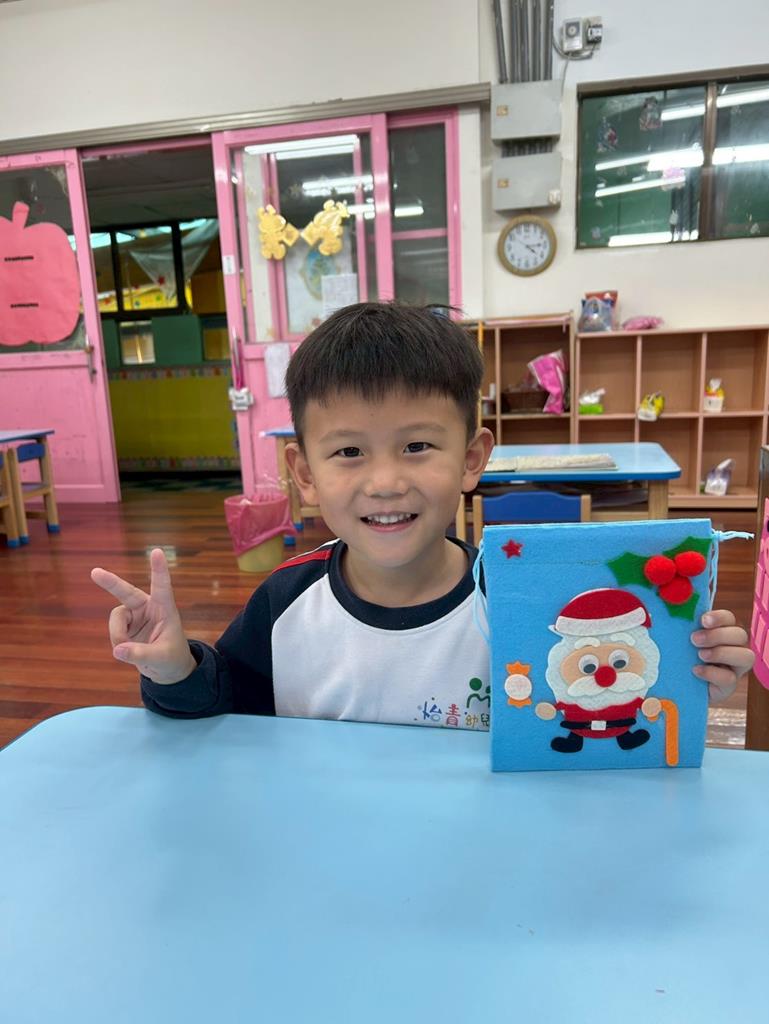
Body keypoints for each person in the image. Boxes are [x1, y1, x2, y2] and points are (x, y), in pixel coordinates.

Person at [91, 302, 754, 730]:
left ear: (471, 459)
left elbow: (592, 713)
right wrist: (174, 668)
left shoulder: (520, 601)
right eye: (348, 451)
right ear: (305, 474)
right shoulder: (285, 603)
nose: (385, 483)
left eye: (416, 446)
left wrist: (685, 672)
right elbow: (224, 709)